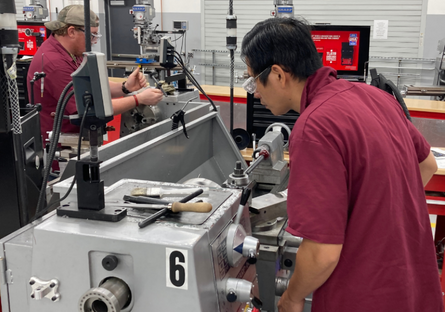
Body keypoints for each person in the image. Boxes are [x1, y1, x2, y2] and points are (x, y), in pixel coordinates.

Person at [241, 18, 442, 312]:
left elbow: (323, 252)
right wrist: (373, 219)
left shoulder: (314, 127)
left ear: (278, 74)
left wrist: (293, 297)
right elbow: (427, 165)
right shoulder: (377, 97)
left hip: (364, 295)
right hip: (414, 287)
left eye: (252, 80)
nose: (253, 92)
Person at [28, 5, 164, 141]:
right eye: (92, 35)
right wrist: (138, 99)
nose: (93, 42)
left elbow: (94, 85)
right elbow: (91, 109)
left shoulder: (73, 52)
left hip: (80, 138)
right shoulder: (54, 63)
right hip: (62, 147)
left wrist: (125, 87)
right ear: (71, 32)